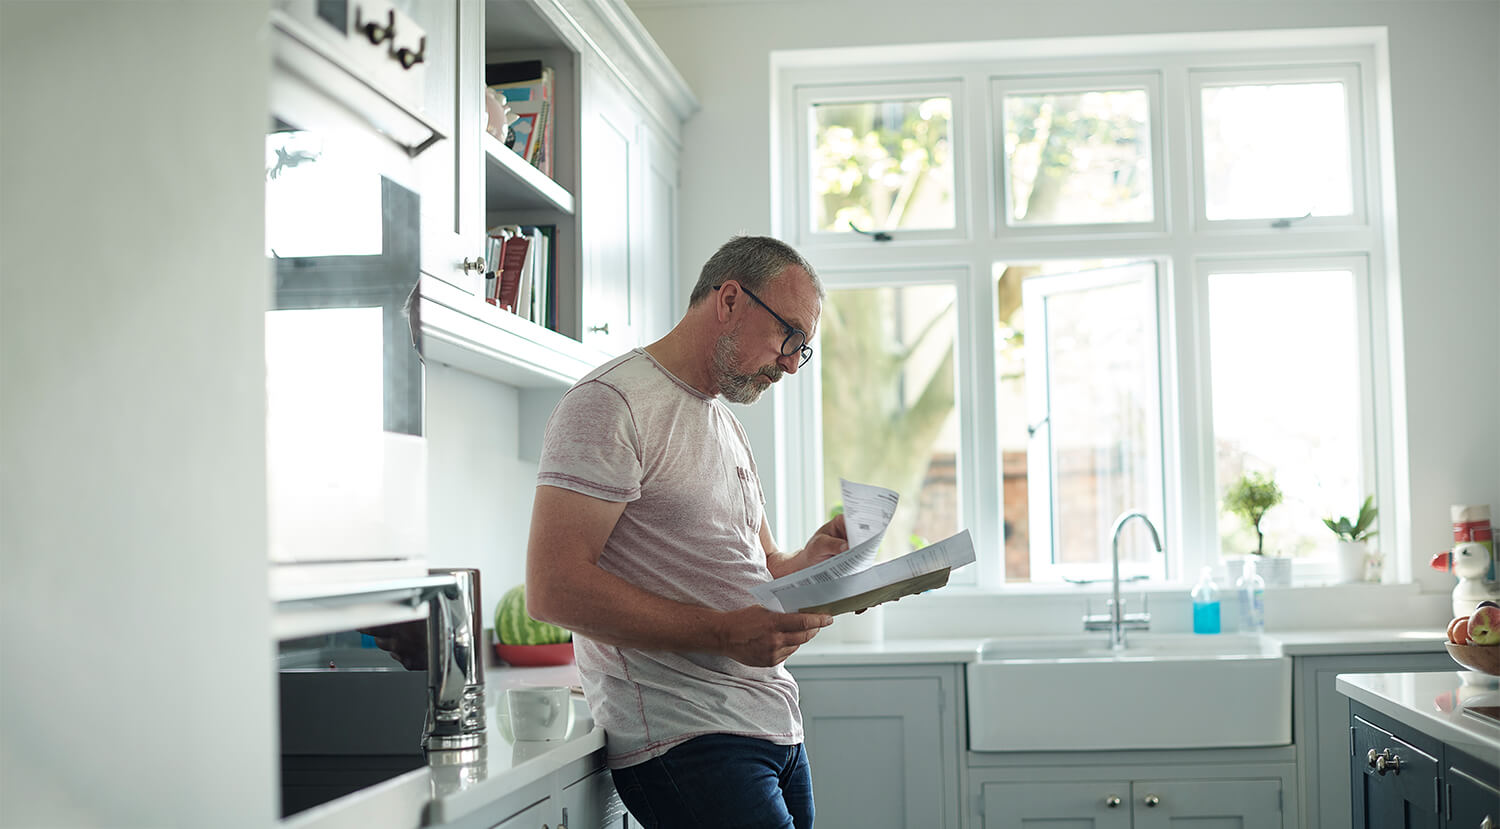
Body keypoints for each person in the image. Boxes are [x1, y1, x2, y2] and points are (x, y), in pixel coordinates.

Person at [525, 235, 849, 829]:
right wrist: (725, 634)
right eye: (790, 337)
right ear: (729, 301)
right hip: (687, 736)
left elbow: (761, 566)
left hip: (773, 725)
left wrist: (815, 558)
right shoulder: (611, 403)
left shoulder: (723, 422)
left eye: (802, 349)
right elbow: (553, 588)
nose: (789, 362)